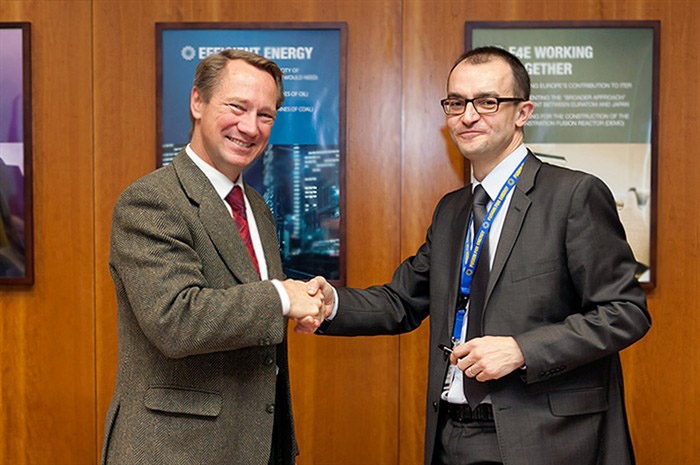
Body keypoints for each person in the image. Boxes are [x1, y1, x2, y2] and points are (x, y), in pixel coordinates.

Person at [304, 46, 651, 465]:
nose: (468, 116)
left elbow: (624, 311)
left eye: (487, 102)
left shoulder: (574, 195)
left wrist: (522, 349)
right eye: (456, 102)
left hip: (547, 437)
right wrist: (330, 304)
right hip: (454, 432)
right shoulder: (453, 210)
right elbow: (402, 301)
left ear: (522, 112)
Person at [101, 49, 326, 465]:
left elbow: (251, 308)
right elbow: (175, 320)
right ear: (197, 103)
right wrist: (280, 298)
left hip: (257, 445)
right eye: (237, 107)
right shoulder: (152, 201)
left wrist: (303, 303)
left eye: (265, 115)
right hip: (176, 450)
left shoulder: (256, 207)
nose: (249, 127)